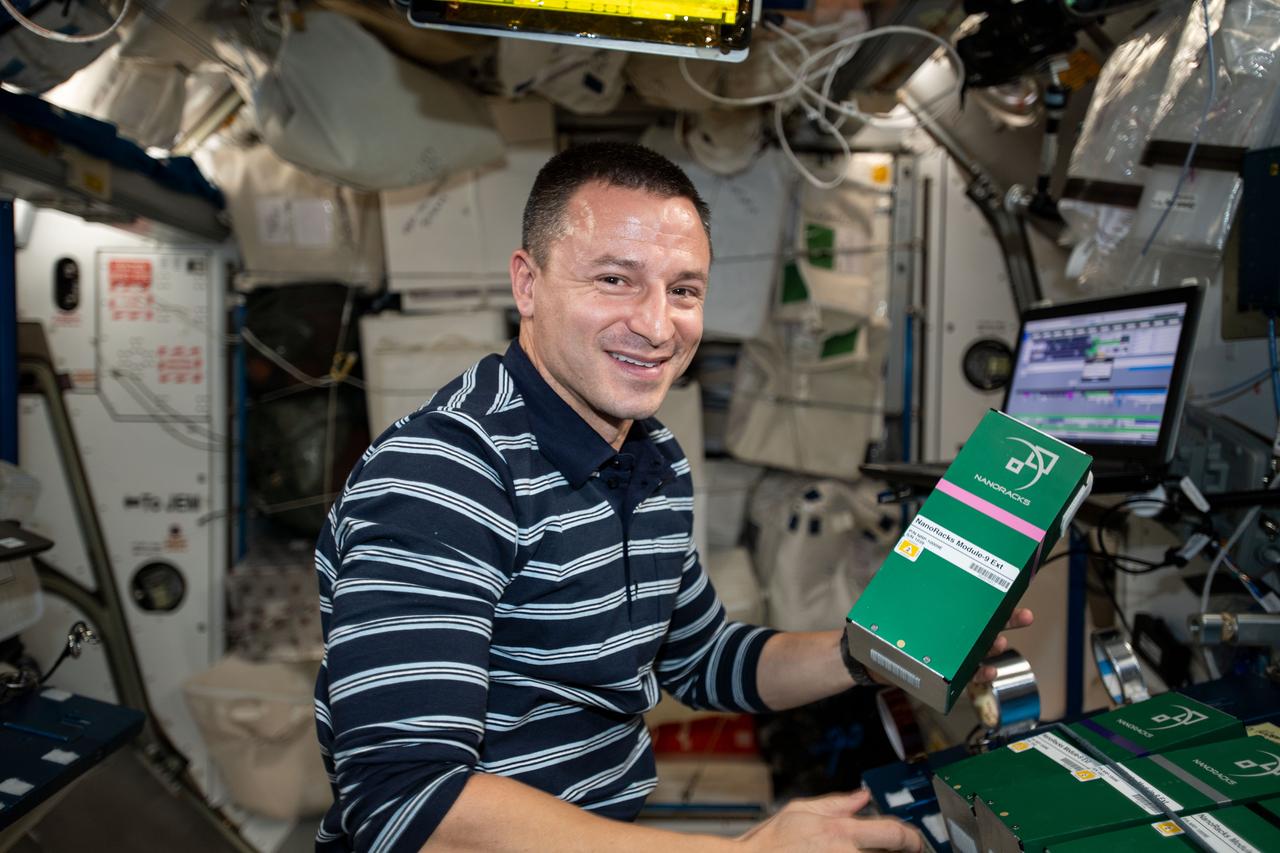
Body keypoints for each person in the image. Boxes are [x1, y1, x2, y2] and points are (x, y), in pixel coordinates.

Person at [313, 141, 1031, 853]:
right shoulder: (444, 475)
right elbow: (407, 806)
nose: (658, 327)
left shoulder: (652, 459)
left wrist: (875, 653)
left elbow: (704, 657)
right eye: (615, 280)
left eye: (683, 290)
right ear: (528, 285)